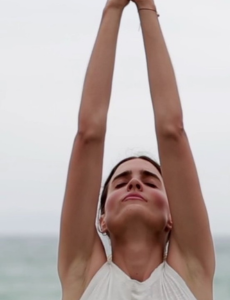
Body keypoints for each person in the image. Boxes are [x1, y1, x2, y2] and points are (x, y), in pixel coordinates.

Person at [58, 0, 215, 299]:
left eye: (151, 180)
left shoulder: (192, 274)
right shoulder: (82, 276)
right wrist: (113, 9)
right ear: (101, 218)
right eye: (120, 181)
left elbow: (172, 131)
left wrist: (147, 7)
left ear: (173, 215)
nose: (134, 182)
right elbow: (88, 134)